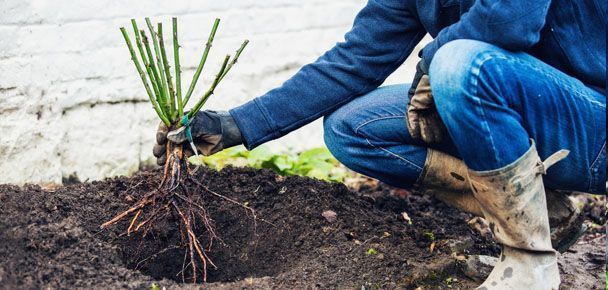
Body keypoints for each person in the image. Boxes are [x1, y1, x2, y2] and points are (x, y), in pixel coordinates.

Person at [153, 0, 606, 288]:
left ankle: (529, 261)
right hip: (527, 125)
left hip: (594, 129)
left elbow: (511, 20)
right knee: (352, 126)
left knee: (459, 63)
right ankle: (543, 211)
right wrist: (234, 125)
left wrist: (434, 58)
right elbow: (351, 63)